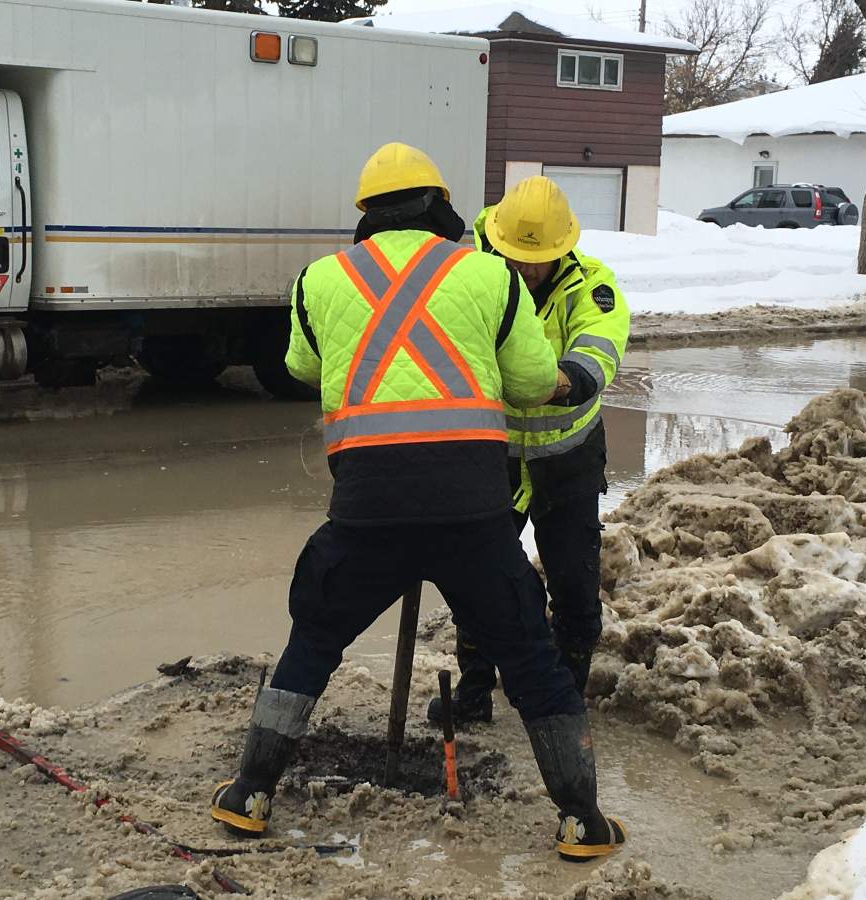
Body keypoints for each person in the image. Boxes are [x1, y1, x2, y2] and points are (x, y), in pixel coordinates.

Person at [210, 146, 626, 861]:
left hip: (367, 507)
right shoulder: (488, 275)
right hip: (473, 505)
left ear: (365, 216)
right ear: (440, 208)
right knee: (529, 653)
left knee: (313, 639)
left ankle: (250, 792)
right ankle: (581, 820)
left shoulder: (320, 279)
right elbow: (530, 382)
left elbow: (300, 366)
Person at [427, 176, 630, 728]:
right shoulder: (469, 275)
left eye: (536, 261)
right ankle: (473, 692)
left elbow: (598, 350)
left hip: (567, 461)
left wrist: (559, 381)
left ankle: (564, 702)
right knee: (479, 577)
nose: (525, 270)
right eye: (516, 257)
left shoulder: (594, 287)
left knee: (574, 586)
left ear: (563, 248)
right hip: (490, 457)